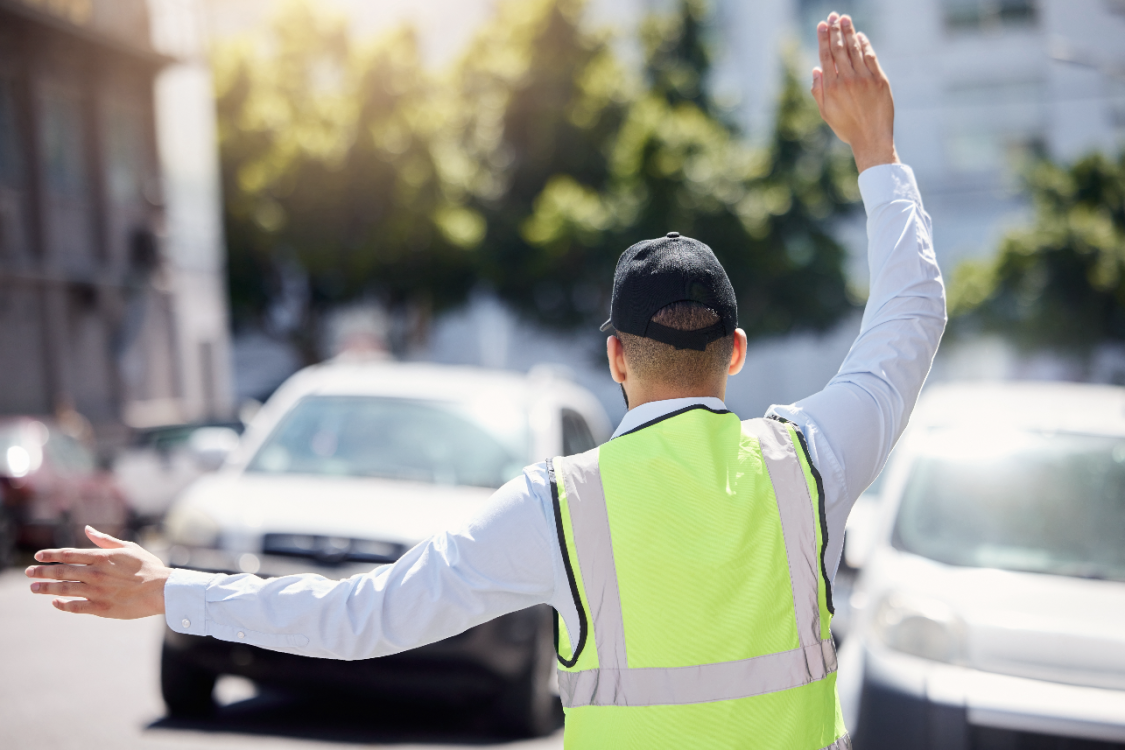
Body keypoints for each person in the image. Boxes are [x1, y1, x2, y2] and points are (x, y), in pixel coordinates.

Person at [25, 14, 944, 749]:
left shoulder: (560, 505)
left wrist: (170, 589)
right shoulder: (811, 464)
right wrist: (875, 151)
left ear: (615, 357)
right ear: (733, 352)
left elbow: (362, 615)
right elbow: (911, 317)